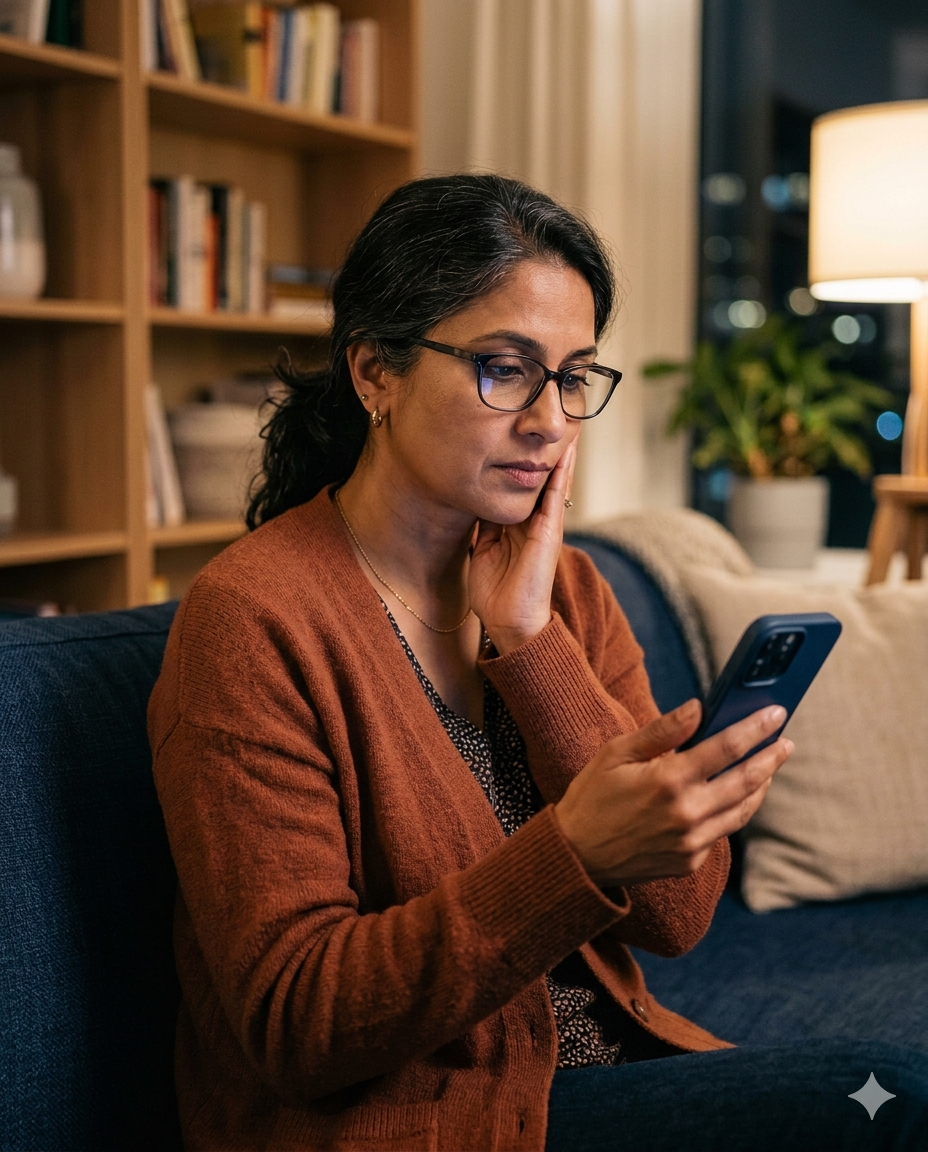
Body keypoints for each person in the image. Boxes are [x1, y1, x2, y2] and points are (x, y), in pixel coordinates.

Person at [149, 174, 928, 1152]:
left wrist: (529, 641)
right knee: (890, 1099)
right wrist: (576, 855)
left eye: (572, 376)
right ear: (374, 373)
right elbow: (298, 1021)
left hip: (587, 1084)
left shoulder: (567, 593)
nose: (550, 421)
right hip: (418, 1125)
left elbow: (680, 917)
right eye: (505, 368)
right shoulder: (253, 622)